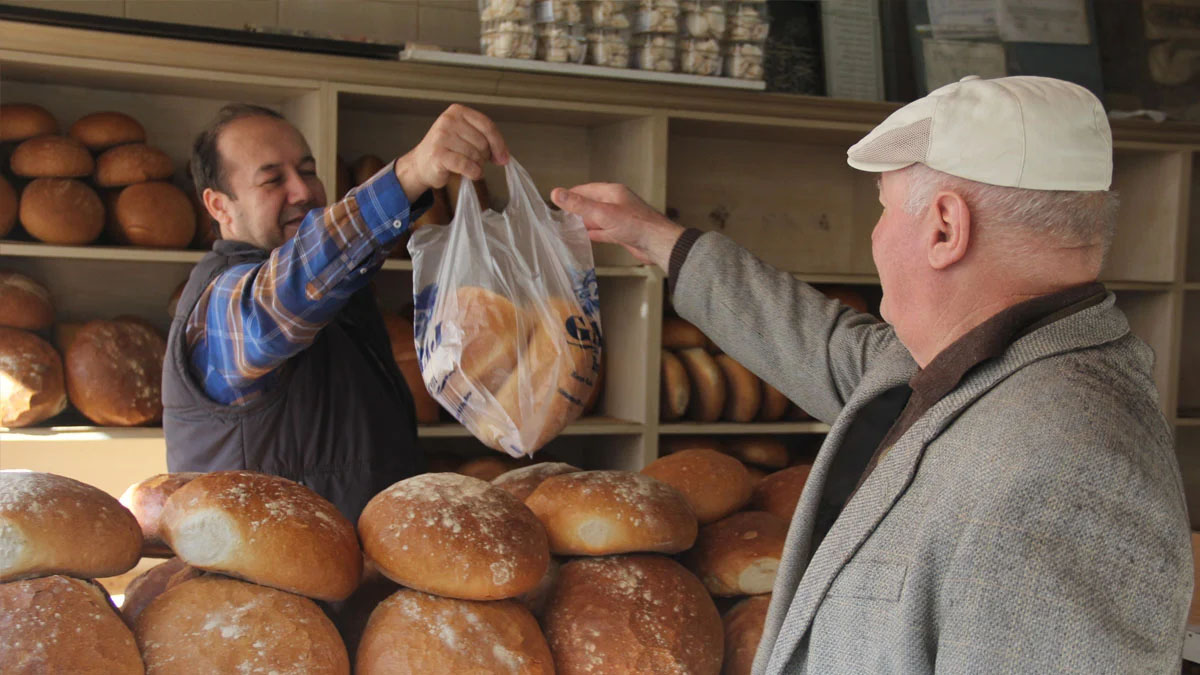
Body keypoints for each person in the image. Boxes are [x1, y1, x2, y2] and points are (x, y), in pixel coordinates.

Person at [552, 75, 1191, 673]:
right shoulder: (987, 361)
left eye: (885, 211)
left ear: (945, 227)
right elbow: (822, 344)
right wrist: (659, 239)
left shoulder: (1065, 468)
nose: (877, 238)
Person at [163, 103, 509, 520]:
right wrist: (410, 176)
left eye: (307, 171)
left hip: (362, 568)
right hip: (267, 581)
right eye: (272, 179)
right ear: (219, 206)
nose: (303, 192)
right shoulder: (222, 303)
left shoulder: (343, 294)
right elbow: (284, 292)